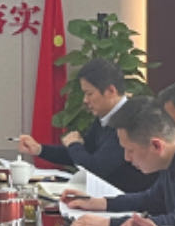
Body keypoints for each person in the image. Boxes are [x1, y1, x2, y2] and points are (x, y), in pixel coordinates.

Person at [59, 96, 175, 226]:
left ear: (156, 146)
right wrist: (101, 203)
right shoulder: (171, 162)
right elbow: (151, 199)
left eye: (130, 150)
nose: (126, 158)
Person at [14, 58, 155, 192]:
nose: (85, 100)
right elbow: (82, 154)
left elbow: (94, 169)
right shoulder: (104, 118)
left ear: (111, 91)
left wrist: (74, 145)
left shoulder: (128, 121)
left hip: (130, 201)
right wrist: (39, 149)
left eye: (89, 94)